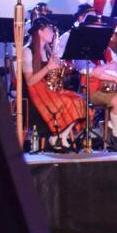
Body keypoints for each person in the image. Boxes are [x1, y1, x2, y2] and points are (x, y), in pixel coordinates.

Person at [21, 18, 89, 150]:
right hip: (35, 95)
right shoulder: (27, 51)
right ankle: (57, 137)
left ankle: (61, 137)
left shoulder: (48, 51)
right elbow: (29, 81)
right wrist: (48, 67)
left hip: (49, 90)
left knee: (81, 100)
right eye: (50, 30)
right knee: (69, 102)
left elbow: (53, 74)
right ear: (40, 32)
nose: (53, 33)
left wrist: (63, 68)